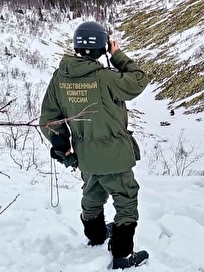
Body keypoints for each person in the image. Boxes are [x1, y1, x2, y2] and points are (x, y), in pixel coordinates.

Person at [39, 21, 150, 269]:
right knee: (126, 202)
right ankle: (122, 256)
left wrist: (61, 143)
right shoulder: (106, 78)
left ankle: (96, 237)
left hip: (85, 155)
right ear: (102, 46)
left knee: (92, 195)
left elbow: (48, 118)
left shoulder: (60, 77)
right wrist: (118, 55)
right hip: (115, 156)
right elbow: (139, 80)